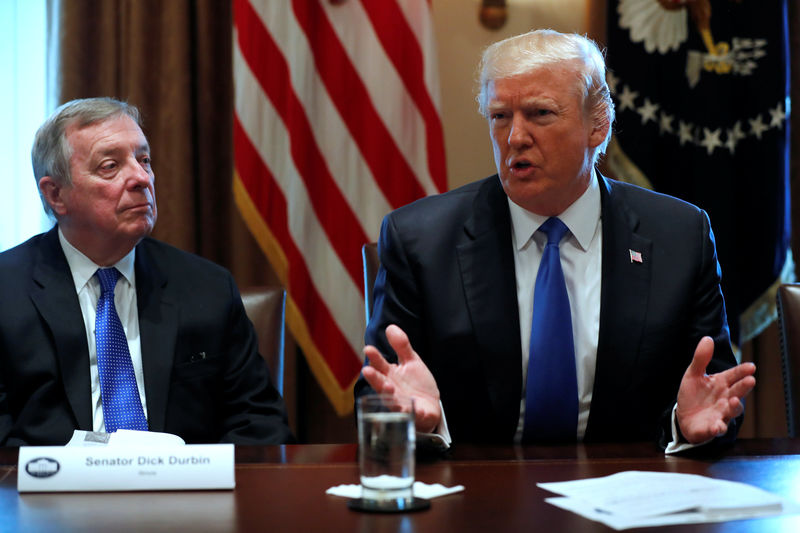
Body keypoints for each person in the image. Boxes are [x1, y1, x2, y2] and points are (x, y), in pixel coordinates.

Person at [355, 30, 756, 450]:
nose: (515, 138)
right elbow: (378, 395)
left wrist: (685, 423)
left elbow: (714, 392)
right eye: (500, 116)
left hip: (626, 492)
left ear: (597, 125)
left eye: (540, 114)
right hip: (477, 492)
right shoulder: (420, 240)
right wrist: (417, 425)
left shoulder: (679, 235)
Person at [0, 97, 293, 446]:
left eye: (144, 160)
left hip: (182, 492)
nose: (141, 178)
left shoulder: (207, 288)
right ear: (56, 194)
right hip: (49, 494)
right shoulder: (8, 291)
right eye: (110, 166)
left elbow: (259, 424)